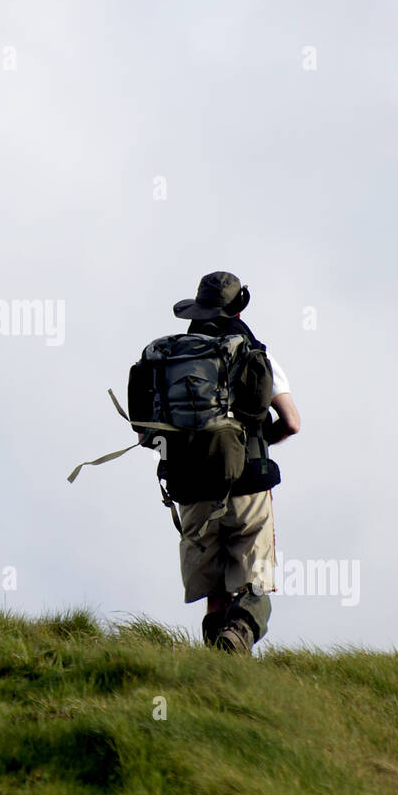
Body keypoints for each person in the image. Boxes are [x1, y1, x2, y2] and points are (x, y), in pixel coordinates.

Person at [169, 272, 300, 654]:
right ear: (238, 306)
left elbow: (148, 430)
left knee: (215, 591)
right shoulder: (255, 352)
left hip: (191, 486)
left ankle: (217, 664)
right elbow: (292, 422)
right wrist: (255, 445)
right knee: (253, 584)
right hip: (247, 483)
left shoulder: (175, 355)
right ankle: (239, 635)